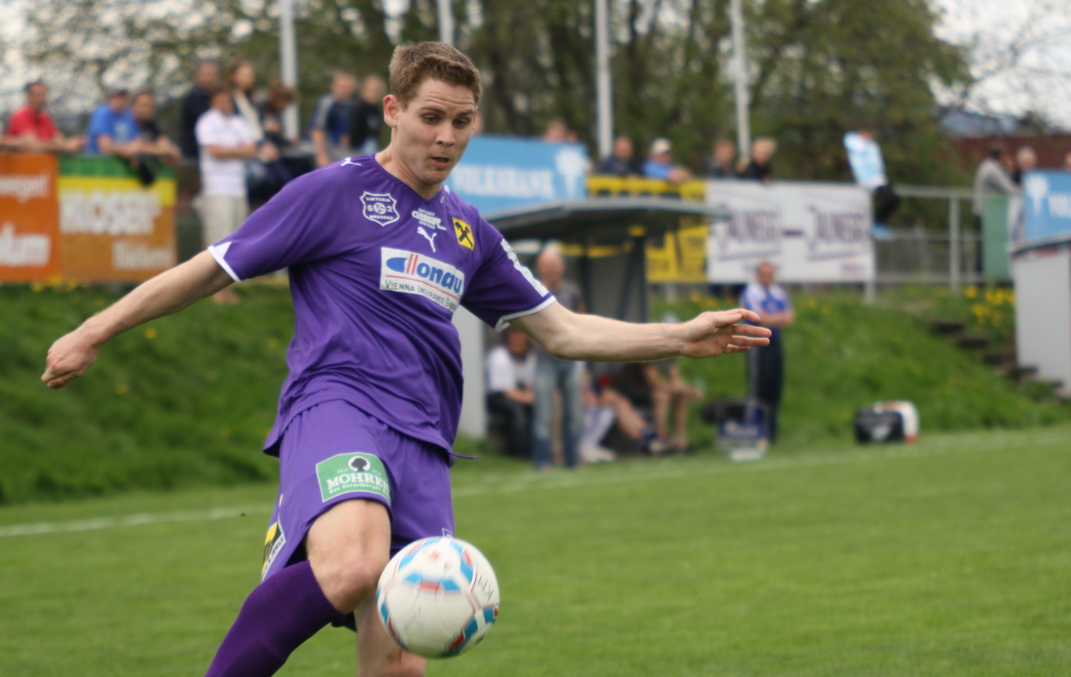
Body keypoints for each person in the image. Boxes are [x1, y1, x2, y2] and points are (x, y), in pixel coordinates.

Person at [41, 41, 770, 677]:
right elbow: (211, 268)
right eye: (431, 116)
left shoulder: (469, 231)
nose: (446, 136)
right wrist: (94, 330)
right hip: (338, 404)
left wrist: (680, 336)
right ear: (392, 110)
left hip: (423, 439)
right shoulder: (332, 192)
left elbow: (564, 331)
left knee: (402, 654)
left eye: (462, 120)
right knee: (354, 565)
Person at [195, 87, 263, 302]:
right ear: (213, 102)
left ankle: (226, 289)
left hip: (238, 188)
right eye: (222, 100)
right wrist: (238, 151)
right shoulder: (207, 122)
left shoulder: (238, 122)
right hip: (217, 188)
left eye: (229, 100)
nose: (227, 104)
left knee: (235, 241)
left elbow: (252, 149)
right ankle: (211, 290)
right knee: (217, 240)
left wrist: (230, 151)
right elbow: (214, 151)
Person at [530, 247, 585, 471]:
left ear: (562, 267)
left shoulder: (573, 291)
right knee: (544, 413)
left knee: (574, 412)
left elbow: (583, 320)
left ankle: (573, 460)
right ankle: (543, 461)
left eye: (555, 265)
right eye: (547, 266)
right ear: (540, 268)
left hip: (571, 359)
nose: (552, 269)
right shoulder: (532, 289)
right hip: (544, 359)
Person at [739, 262, 793, 443]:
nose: (768, 278)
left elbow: (789, 319)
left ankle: (771, 431)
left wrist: (772, 319)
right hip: (757, 343)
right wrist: (777, 318)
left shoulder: (778, 293)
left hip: (775, 342)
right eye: (764, 274)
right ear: (758, 275)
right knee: (758, 386)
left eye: (770, 274)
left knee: (774, 386)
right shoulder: (752, 292)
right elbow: (760, 318)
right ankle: (755, 427)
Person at [610, 359, 702, 453]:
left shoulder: (671, 357)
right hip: (631, 387)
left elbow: (675, 381)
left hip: (649, 388)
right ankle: (659, 437)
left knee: (681, 396)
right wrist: (678, 390)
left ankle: (680, 437)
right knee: (662, 397)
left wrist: (687, 390)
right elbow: (653, 382)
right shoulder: (649, 355)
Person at [485, 328, 536, 458]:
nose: (518, 341)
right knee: (517, 412)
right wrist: (531, 398)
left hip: (522, 395)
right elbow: (505, 391)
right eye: (514, 338)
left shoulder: (530, 357)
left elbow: (531, 384)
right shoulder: (499, 356)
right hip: (498, 397)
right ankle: (519, 453)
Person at [972, 147, 1020, 273]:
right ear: (1000, 157)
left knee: (983, 247)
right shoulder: (992, 170)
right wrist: (1026, 192)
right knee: (985, 248)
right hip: (985, 214)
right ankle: (981, 279)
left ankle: (982, 278)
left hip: (984, 213)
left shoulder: (986, 166)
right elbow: (1009, 189)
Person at [843, 123, 900, 226]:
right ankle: (877, 222)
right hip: (866, 180)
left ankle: (878, 222)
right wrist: (864, 140)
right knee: (889, 200)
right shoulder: (853, 140)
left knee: (893, 199)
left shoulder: (872, 144)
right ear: (862, 132)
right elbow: (858, 148)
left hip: (878, 179)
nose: (871, 136)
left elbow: (877, 162)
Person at [5, 80, 84, 153]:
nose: (43, 99)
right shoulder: (20, 116)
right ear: (29, 97)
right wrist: (66, 147)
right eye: (39, 95)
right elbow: (34, 145)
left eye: (44, 95)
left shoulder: (45, 118)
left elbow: (59, 141)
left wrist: (73, 143)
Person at [127, 91, 182, 184]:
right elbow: (130, 149)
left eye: (151, 106)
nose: (148, 109)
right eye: (144, 105)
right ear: (134, 106)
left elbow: (174, 152)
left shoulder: (151, 126)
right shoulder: (125, 123)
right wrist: (158, 150)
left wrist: (148, 149)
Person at [309, 71, 357, 167]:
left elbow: (344, 133)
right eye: (342, 87)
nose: (345, 90)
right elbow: (317, 129)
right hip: (324, 149)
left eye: (348, 87)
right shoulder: (327, 103)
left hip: (338, 150)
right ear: (333, 86)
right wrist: (321, 155)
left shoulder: (348, 105)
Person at [179, 60, 221, 163]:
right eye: (207, 75)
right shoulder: (193, 99)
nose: (210, 79)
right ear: (197, 76)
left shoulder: (216, 97)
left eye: (213, 75)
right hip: (195, 156)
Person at [84, 88, 138, 156]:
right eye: (117, 98)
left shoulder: (128, 115)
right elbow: (105, 147)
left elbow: (138, 141)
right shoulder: (102, 113)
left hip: (120, 158)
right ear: (110, 99)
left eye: (123, 98)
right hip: (98, 159)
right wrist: (128, 150)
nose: (121, 101)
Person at [347, 75, 387, 156]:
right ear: (364, 90)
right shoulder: (358, 107)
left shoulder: (375, 109)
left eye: (376, 91)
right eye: (371, 90)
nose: (373, 94)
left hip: (372, 146)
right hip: (357, 148)